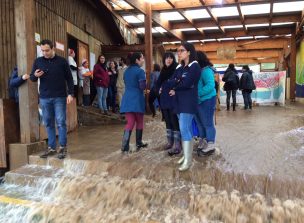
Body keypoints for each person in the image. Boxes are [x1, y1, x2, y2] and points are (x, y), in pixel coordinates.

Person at [30, 39, 74, 159]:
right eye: (42, 50)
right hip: (44, 97)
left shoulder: (62, 61)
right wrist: (35, 75)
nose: (44, 53)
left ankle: (63, 147)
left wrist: (70, 94)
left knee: (60, 122)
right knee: (48, 123)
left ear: (53, 48)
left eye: (47, 50)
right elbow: (32, 78)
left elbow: (69, 79)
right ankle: (51, 148)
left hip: (60, 96)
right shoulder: (38, 61)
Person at [168, 42, 201, 171]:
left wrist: (177, 84)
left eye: (181, 50)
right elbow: (172, 80)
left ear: (189, 52)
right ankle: (186, 155)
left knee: (184, 128)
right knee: (184, 129)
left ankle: (188, 160)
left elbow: (187, 83)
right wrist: (177, 83)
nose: (179, 53)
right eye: (178, 51)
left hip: (188, 102)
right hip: (178, 101)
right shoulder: (180, 67)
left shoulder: (195, 66)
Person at [120, 52, 148, 153]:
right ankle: (139, 142)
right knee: (139, 121)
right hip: (137, 98)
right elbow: (142, 87)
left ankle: (124, 146)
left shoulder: (126, 71)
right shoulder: (140, 71)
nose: (143, 60)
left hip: (127, 98)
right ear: (137, 60)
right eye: (142, 58)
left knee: (130, 122)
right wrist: (146, 84)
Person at [156, 52, 181, 155]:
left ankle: (177, 145)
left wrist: (176, 90)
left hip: (173, 99)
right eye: (167, 58)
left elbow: (181, 82)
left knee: (174, 120)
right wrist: (159, 89)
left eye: (171, 58)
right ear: (164, 60)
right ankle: (170, 142)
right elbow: (157, 84)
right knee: (167, 121)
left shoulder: (177, 68)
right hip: (164, 99)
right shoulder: (163, 70)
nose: (169, 60)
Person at [195, 51, 217, 156]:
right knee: (200, 122)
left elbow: (210, 85)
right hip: (198, 101)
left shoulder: (206, 70)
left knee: (207, 122)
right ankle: (203, 139)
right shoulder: (197, 70)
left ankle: (211, 143)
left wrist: (198, 93)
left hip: (207, 99)